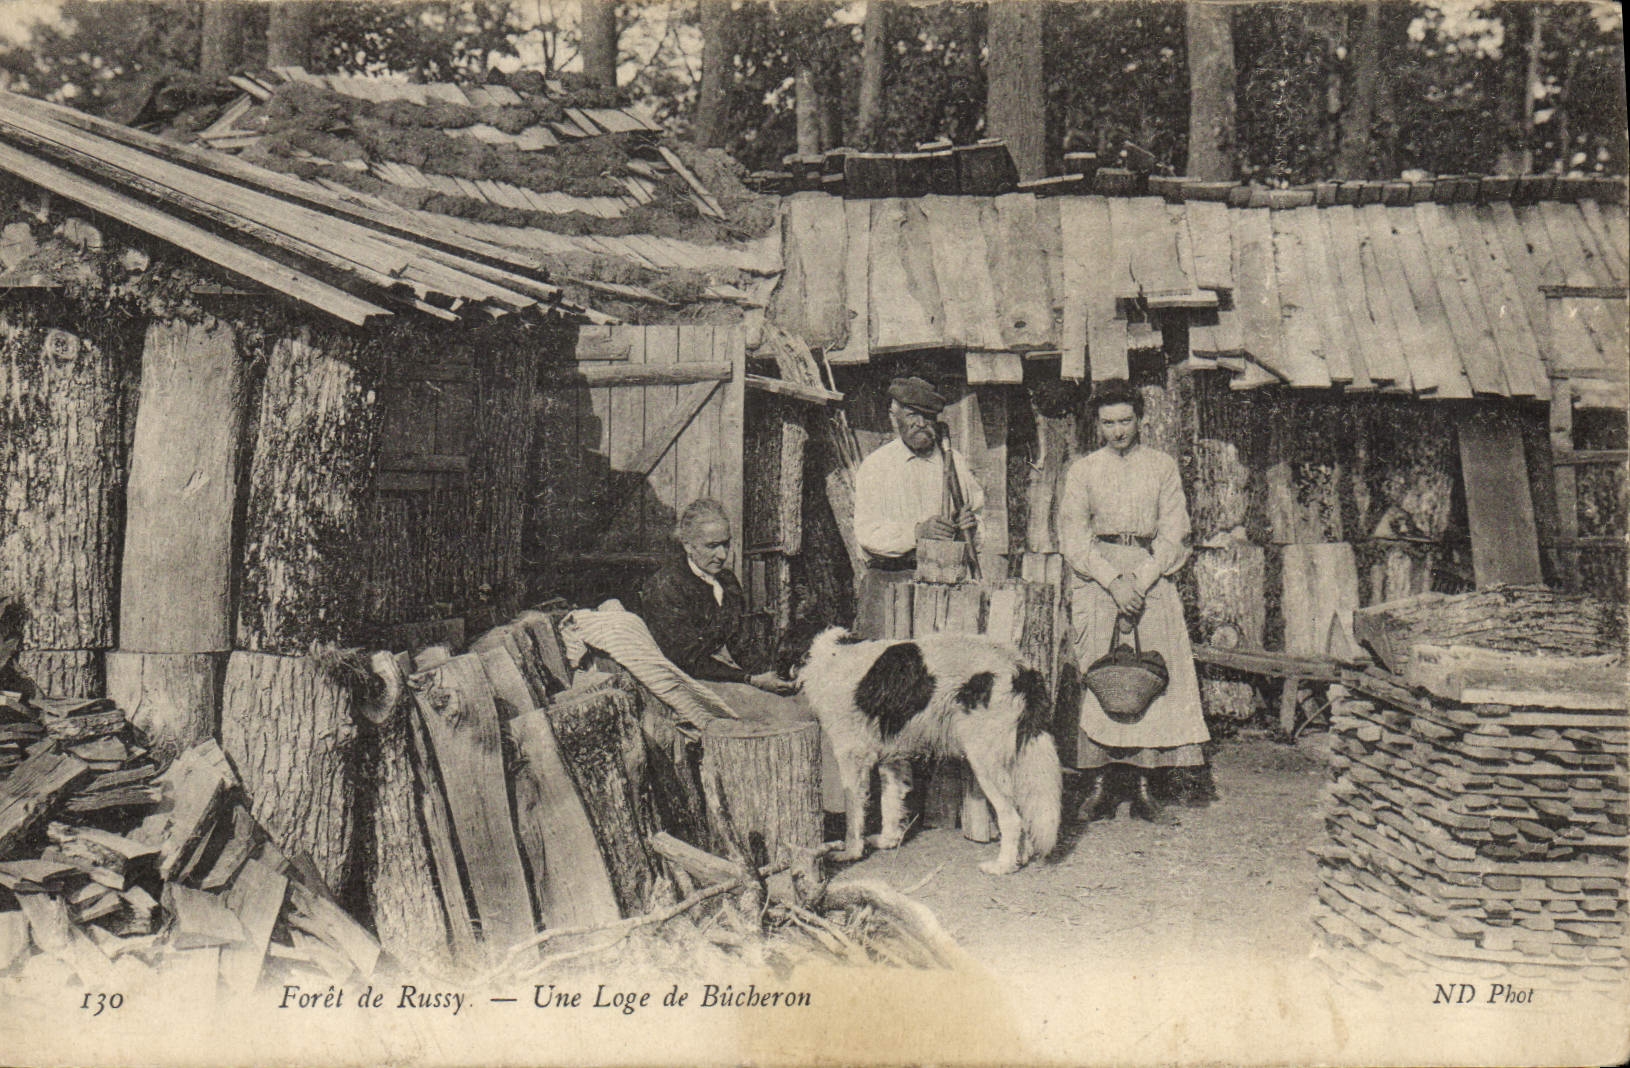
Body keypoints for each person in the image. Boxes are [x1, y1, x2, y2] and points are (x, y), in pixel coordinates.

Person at [1058, 380, 1209, 824]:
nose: (1118, 430)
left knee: (1152, 673)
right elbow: (1072, 536)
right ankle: (1101, 785)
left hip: (1150, 575)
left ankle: (1146, 785)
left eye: (1125, 420)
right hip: (1099, 579)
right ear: (1097, 424)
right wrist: (1112, 581)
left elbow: (1174, 530)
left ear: (1140, 419)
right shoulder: (1083, 470)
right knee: (1102, 673)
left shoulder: (1161, 467)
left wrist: (1140, 581)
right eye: (1108, 423)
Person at [852, 376, 984, 637]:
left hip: (941, 587)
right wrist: (917, 533)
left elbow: (979, 525)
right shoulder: (877, 466)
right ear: (894, 416)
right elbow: (867, 534)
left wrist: (968, 528)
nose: (921, 424)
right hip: (889, 584)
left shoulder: (955, 464)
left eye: (928, 416)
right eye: (912, 415)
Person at [637, 498, 795, 695]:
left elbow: (742, 646)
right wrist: (749, 679)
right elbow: (686, 659)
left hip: (718, 677)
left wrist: (774, 673)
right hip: (681, 683)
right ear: (688, 545)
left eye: (726, 544)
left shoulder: (727, 581)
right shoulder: (666, 585)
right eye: (712, 546)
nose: (722, 555)